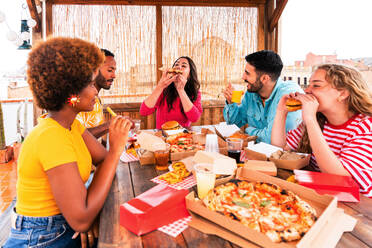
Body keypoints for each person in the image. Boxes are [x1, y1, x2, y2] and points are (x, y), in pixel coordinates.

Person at [3, 37, 132, 247]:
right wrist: (116, 148)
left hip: (63, 224)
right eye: (91, 84)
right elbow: (81, 220)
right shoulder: (51, 136)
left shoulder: (71, 126)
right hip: (42, 238)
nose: (95, 91)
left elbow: (102, 160)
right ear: (71, 95)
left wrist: (90, 206)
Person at [271, 64, 372, 197]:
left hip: (357, 209)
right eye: (308, 85)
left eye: (316, 85)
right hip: (320, 196)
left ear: (343, 93)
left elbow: (339, 178)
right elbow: (280, 149)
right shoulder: (320, 120)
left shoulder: (365, 127)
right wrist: (281, 112)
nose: (306, 90)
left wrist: (310, 119)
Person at [223, 50, 303, 144]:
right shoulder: (252, 92)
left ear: (265, 78)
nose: (243, 77)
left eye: (247, 73)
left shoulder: (288, 95)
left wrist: (248, 131)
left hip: (282, 156)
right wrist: (232, 103)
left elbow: (272, 140)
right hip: (256, 155)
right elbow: (234, 123)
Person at [140, 56, 202, 129]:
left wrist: (180, 90)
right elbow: (144, 111)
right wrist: (160, 86)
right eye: (176, 65)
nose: (178, 67)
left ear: (190, 74)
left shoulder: (195, 93)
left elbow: (194, 118)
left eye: (183, 66)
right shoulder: (164, 90)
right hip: (162, 135)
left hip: (183, 136)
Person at [76, 48, 116, 139]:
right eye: (110, 70)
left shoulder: (96, 99)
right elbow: (77, 137)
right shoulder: (77, 100)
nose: (114, 76)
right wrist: (110, 125)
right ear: (94, 70)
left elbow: (97, 138)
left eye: (114, 71)